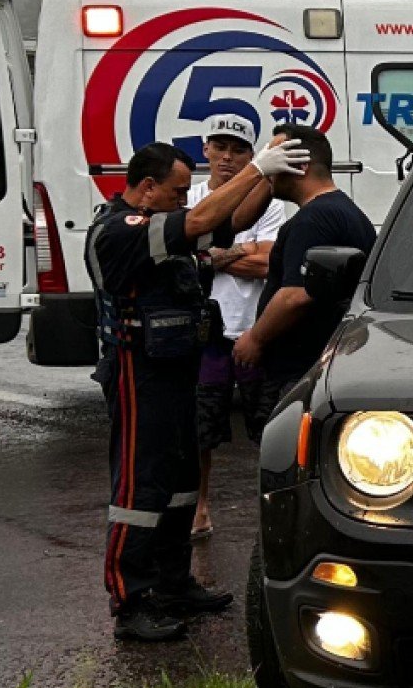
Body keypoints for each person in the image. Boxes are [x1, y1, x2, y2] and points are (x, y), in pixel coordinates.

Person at [86, 136, 308, 642]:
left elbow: (230, 222)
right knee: (140, 487)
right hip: (138, 372)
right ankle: (131, 598)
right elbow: (204, 221)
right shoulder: (121, 229)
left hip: (175, 368)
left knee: (181, 480)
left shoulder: (163, 224)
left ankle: (172, 583)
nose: (184, 200)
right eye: (177, 191)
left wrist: (267, 176)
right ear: (147, 189)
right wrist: (255, 168)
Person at [189, 114, 287, 539]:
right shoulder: (189, 198)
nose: (228, 157)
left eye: (239, 150)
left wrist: (213, 253)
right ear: (206, 148)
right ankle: (200, 506)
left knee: (268, 430)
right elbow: (185, 261)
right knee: (200, 430)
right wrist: (240, 250)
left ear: (252, 156)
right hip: (206, 335)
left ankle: (275, 508)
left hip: (255, 330)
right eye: (221, 147)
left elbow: (270, 262)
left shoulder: (271, 201)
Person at [235, 127, 375, 419]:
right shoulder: (340, 210)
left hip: (300, 374)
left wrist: (255, 339)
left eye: (273, 158)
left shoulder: (315, 218)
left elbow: (296, 295)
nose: (267, 169)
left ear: (299, 165)